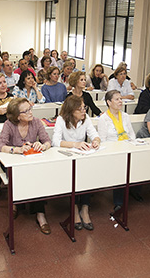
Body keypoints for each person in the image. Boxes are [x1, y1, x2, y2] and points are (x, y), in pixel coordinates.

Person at [0, 98, 52, 234]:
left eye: (30, 108)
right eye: (26, 111)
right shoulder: (9, 124)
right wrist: (17, 149)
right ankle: (16, 202)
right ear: (17, 116)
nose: (30, 112)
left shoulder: (36, 122)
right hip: (13, 160)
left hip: (30, 161)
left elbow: (47, 141)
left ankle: (39, 213)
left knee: (37, 176)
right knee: (22, 175)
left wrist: (42, 146)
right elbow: (1, 146)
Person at [52, 95, 101, 230]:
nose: (84, 111)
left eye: (84, 108)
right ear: (71, 110)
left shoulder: (86, 119)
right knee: (73, 178)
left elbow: (94, 134)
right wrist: (75, 144)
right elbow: (55, 142)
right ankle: (74, 208)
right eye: (80, 109)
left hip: (81, 156)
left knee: (86, 175)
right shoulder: (61, 120)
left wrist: (96, 141)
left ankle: (84, 208)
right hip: (66, 157)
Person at [98, 90, 138, 209]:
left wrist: (132, 145)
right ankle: (119, 202)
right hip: (113, 152)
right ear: (109, 102)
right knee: (121, 167)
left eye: (121, 99)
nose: (120, 101)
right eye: (117, 99)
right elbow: (103, 141)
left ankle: (135, 190)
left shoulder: (125, 116)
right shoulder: (104, 119)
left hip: (127, 147)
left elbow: (132, 134)